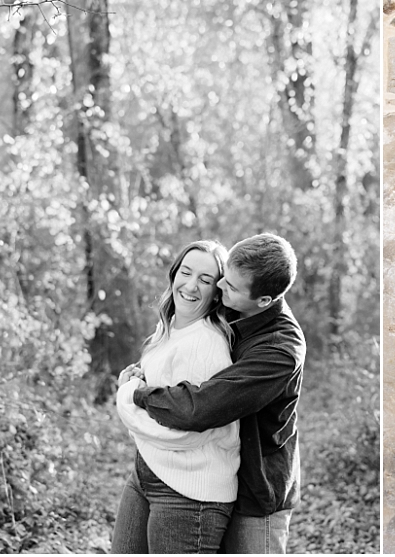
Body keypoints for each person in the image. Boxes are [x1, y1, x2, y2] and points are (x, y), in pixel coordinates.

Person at [125, 233, 306, 554]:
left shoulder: (279, 350)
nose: (219, 288)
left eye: (231, 287)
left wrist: (138, 394)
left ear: (265, 300)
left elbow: (201, 407)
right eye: (223, 278)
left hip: (254, 491)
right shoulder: (234, 303)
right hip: (206, 467)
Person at [112, 239, 240, 553]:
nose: (191, 286)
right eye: (186, 272)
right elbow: (161, 397)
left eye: (205, 280)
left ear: (216, 292)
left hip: (189, 493)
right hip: (147, 472)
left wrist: (126, 397)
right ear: (174, 273)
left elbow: (190, 430)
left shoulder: (207, 345)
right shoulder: (169, 329)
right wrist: (138, 381)